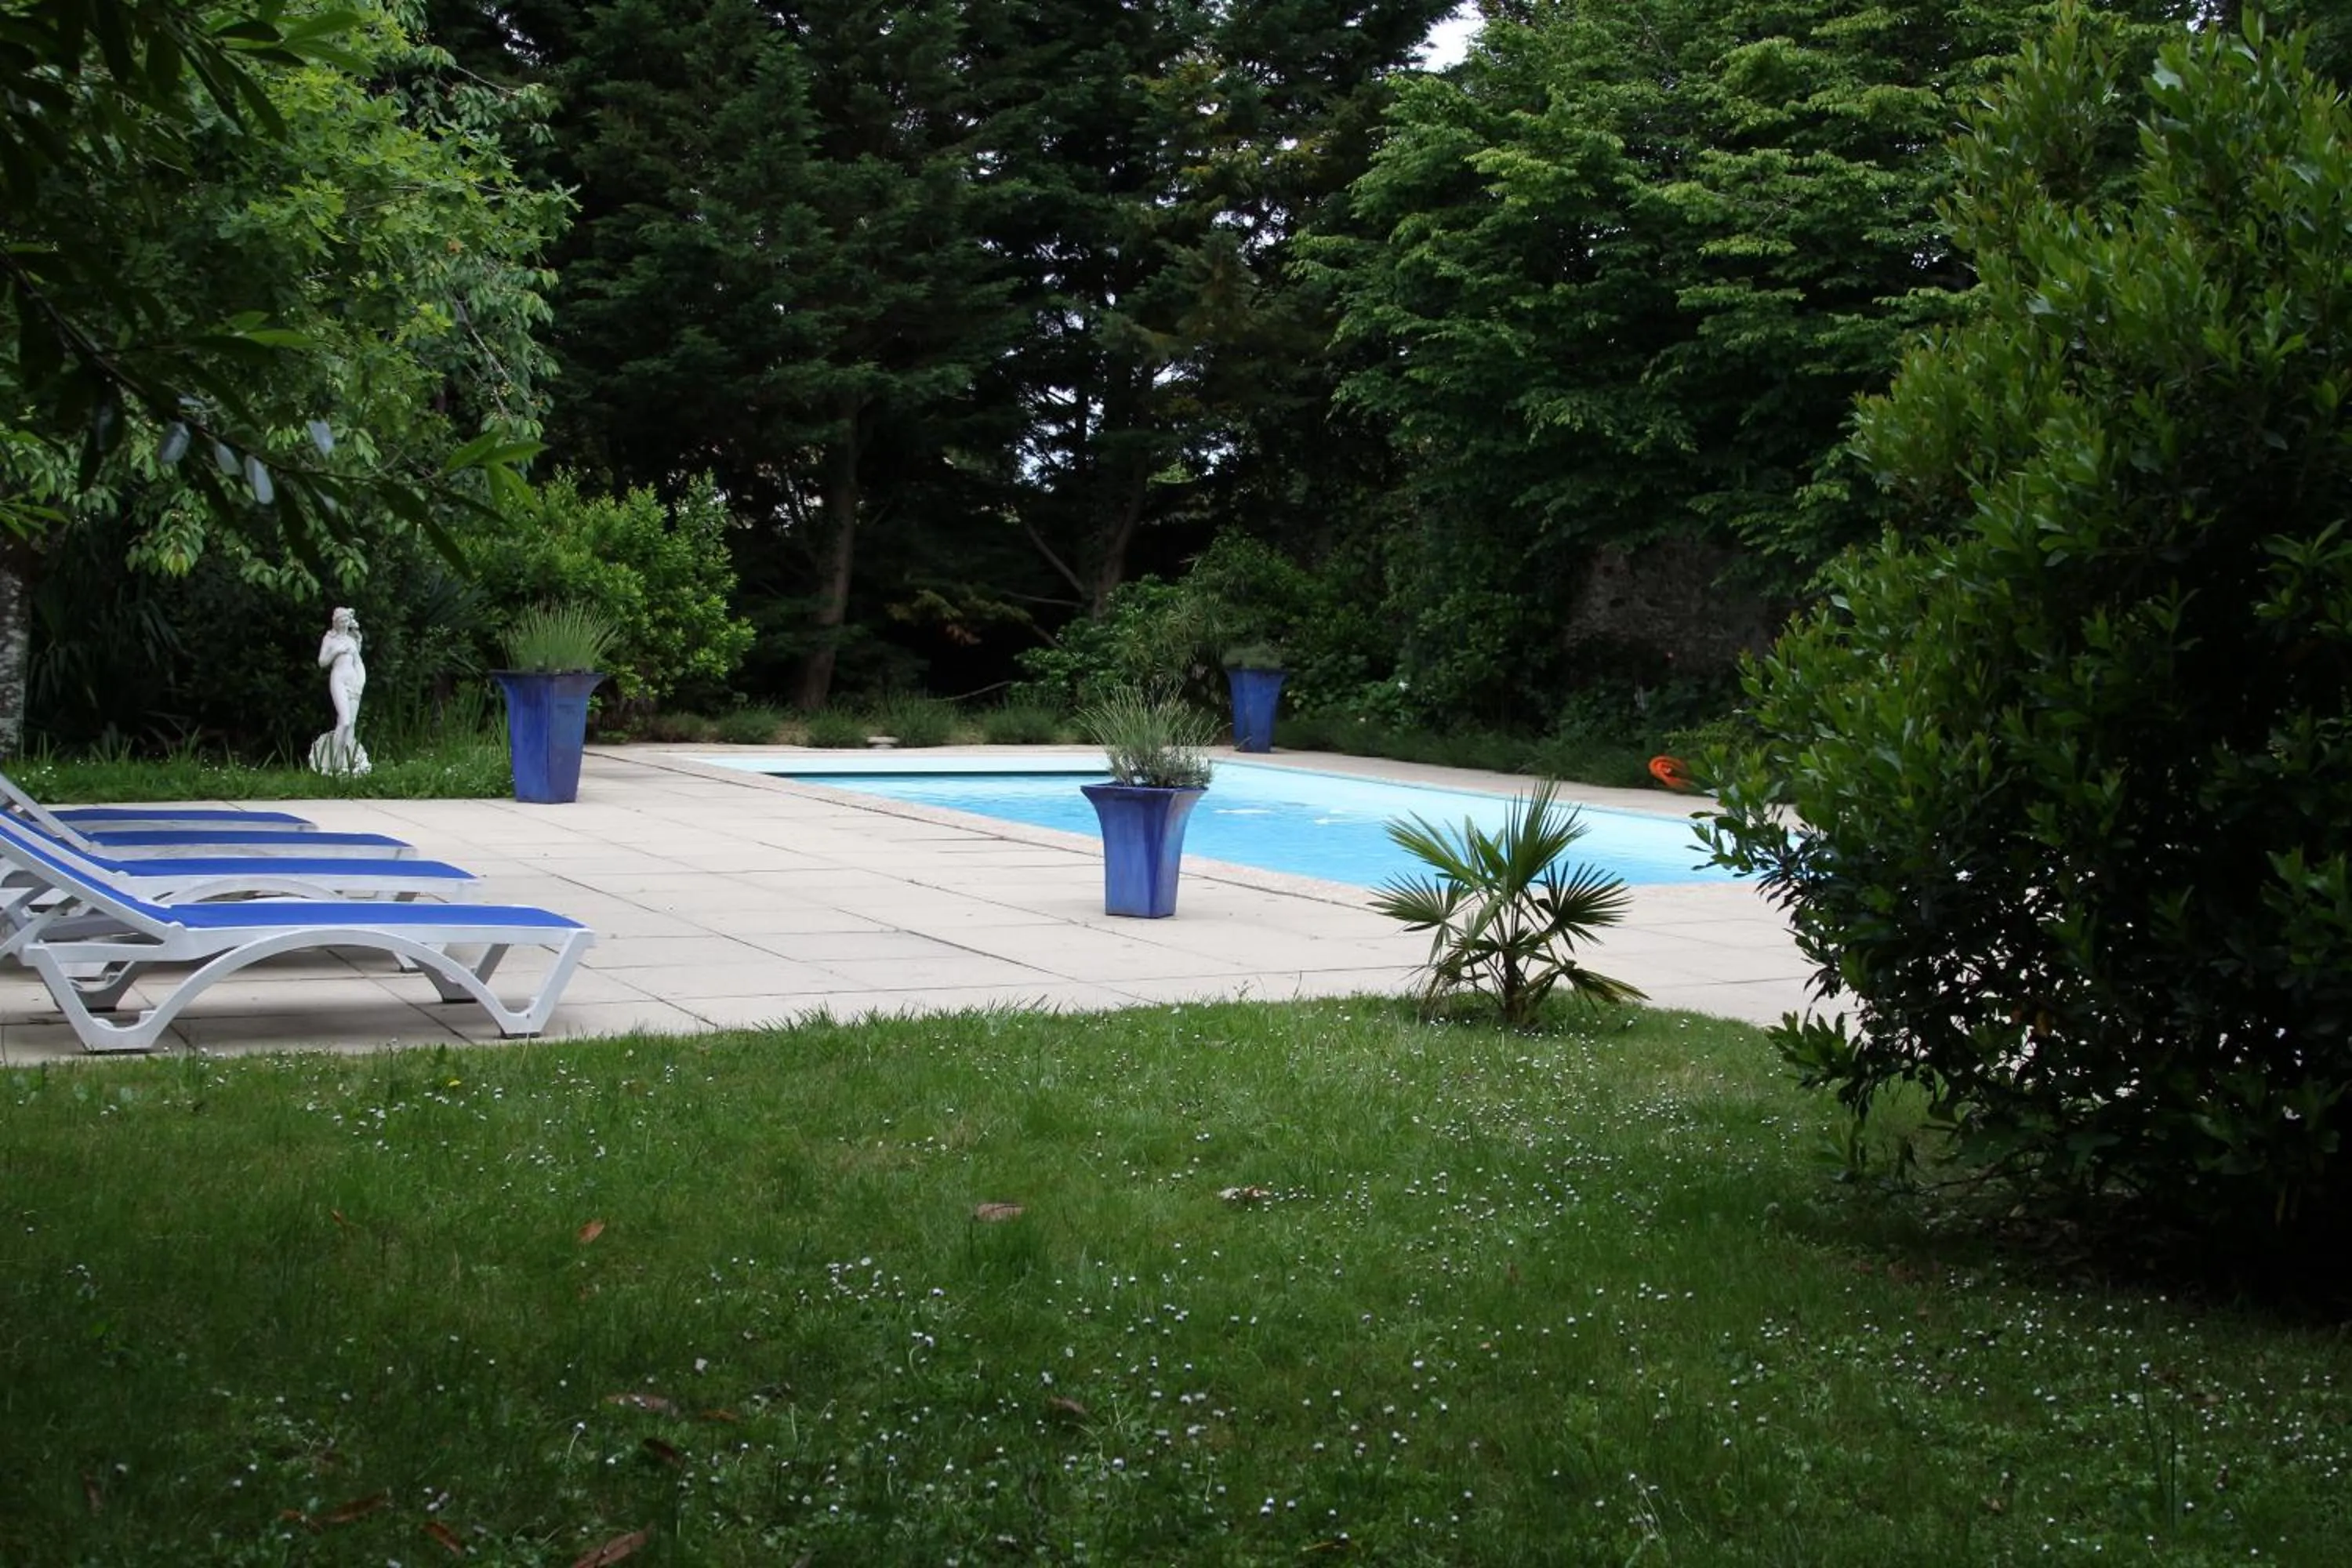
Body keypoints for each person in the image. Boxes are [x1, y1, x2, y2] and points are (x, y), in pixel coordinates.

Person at [310, 608, 370, 775]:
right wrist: (337, 651)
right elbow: (322, 662)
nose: (344, 624)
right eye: (341, 621)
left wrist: (361, 681)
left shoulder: (352, 640)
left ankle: (346, 765)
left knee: (351, 724)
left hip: (353, 681)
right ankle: (333, 762)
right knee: (343, 721)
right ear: (335, 622)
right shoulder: (330, 639)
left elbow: (358, 663)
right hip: (339, 679)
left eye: (346, 621)